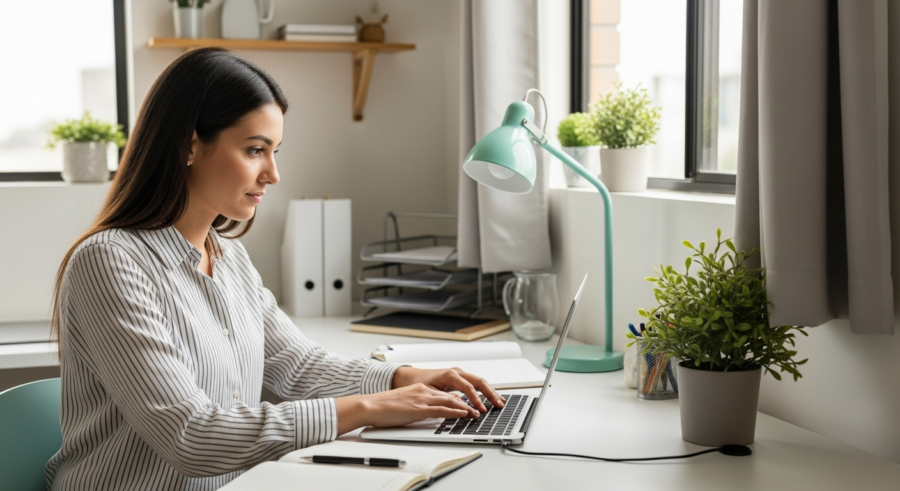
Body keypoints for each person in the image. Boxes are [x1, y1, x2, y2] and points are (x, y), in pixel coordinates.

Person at [45, 48, 504, 491]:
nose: (273, 174)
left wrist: (400, 379)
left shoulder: (229, 258)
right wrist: (368, 407)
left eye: (274, 150)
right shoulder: (109, 262)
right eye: (254, 150)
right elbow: (190, 436)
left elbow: (296, 366)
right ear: (189, 146)